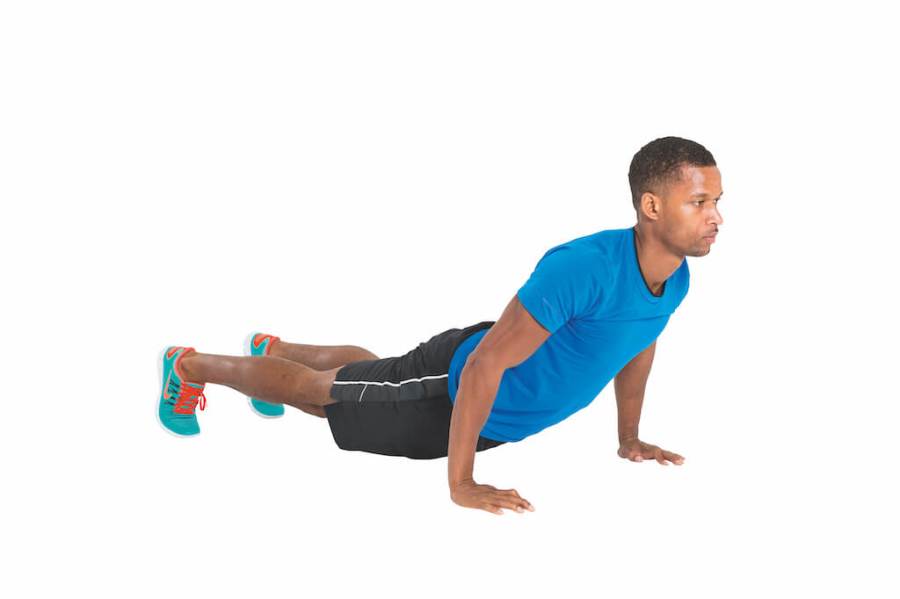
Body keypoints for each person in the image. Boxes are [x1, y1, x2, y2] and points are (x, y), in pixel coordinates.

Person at [156, 135, 724, 516]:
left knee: (373, 373)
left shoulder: (674, 278)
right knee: (319, 397)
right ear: (651, 207)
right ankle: (188, 366)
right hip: (457, 394)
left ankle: (274, 349)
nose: (716, 218)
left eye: (718, 201)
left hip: (489, 392)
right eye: (699, 202)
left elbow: (635, 346)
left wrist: (627, 438)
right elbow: (484, 365)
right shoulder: (584, 269)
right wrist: (462, 483)